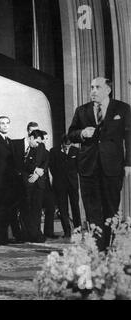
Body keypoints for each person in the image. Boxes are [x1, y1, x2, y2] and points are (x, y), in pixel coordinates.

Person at [68, 77, 131, 251]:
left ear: (108, 90)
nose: (93, 91)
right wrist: (82, 133)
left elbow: (129, 138)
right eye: (91, 87)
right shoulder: (82, 110)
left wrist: (128, 164)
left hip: (113, 166)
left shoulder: (122, 109)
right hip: (88, 167)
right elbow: (70, 134)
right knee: (92, 208)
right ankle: (97, 248)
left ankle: (110, 246)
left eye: (97, 87)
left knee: (111, 207)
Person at [0, 116, 21, 244]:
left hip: (10, 184)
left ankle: (6, 237)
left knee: (9, 210)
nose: (5, 126)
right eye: (2, 123)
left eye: (7, 123)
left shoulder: (9, 141)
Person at [14, 130, 48, 243]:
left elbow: (45, 160)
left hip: (36, 183)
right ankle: (27, 234)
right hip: (21, 183)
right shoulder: (16, 144)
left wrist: (38, 173)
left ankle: (35, 234)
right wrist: (34, 169)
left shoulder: (39, 147)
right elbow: (18, 164)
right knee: (25, 210)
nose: (38, 145)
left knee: (36, 210)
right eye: (37, 142)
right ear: (31, 138)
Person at [49, 134, 80, 238]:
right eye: (65, 145)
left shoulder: (76, 151)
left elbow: (78, 166)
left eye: (69, 145)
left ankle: (78, 230)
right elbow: (52, 168)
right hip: (60, 184)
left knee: (75, 207)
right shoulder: (53, 151)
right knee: (63, 209)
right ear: (61, 143)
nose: (67, 147)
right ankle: (67, 231)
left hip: (73, 184)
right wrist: (59, 178)